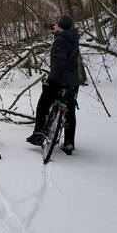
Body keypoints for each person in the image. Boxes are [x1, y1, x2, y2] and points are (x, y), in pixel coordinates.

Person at [26, 15, 80, 155]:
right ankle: (69, 143)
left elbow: (58, 64)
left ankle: (38, 132)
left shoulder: (60, 41)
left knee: (43, 103)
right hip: (73, 81)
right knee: (70, 111)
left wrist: (51, 80)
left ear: (61, 27)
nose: (54, 26)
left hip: (59, 79)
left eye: (56, 24)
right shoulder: (73, 38)